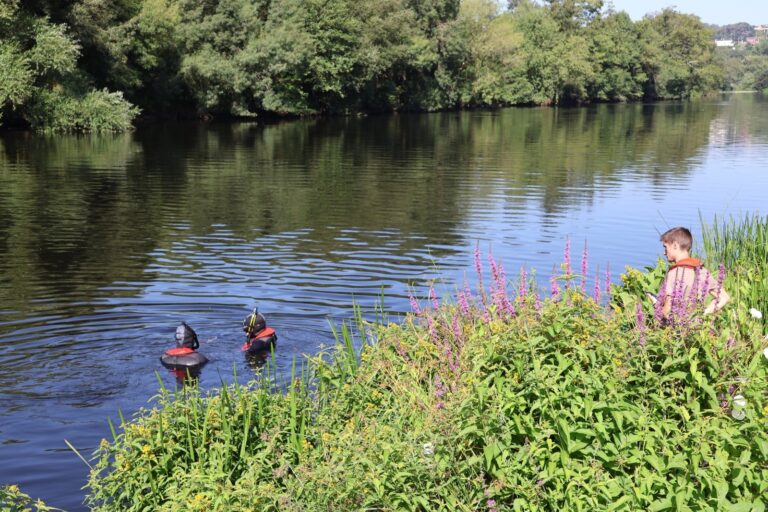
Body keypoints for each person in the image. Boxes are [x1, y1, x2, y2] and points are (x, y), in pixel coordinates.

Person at [652, 226, 730, 319]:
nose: (664, 253)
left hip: (675, 328)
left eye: (666, 247)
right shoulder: (702, 270)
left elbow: (669, 306)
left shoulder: (674, 273)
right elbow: (724, 298)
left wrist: (658, 318)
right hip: (696, 328)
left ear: (675, 245)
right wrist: (704, 315)